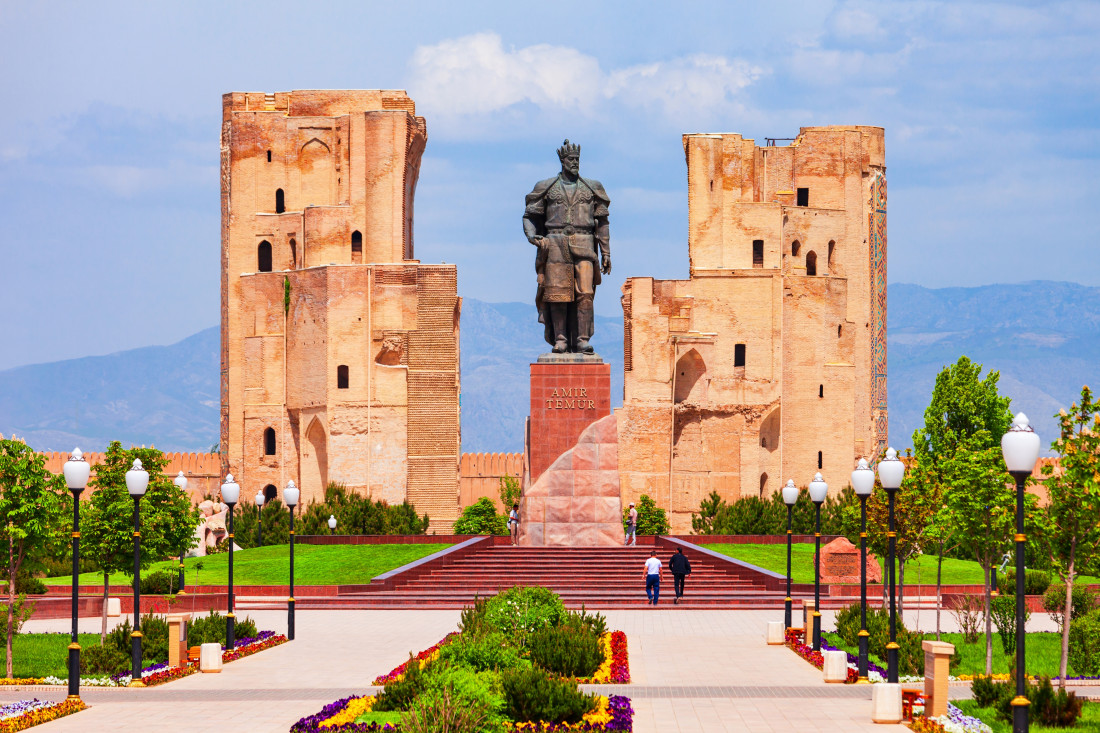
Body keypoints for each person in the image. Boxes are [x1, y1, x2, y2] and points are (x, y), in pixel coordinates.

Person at [523, 140, 612, 354]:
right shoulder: (547, 187)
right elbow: (530, 216)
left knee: (586, 292)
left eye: (577, 160)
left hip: (584, 242)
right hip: (554, 243)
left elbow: (602, 223)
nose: (575, 163)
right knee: (557, 294)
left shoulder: (592, 187)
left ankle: (582, 339)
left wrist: (606, 252)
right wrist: (532, 236)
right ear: (562, 161)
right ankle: (561, 339)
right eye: (571, 159)